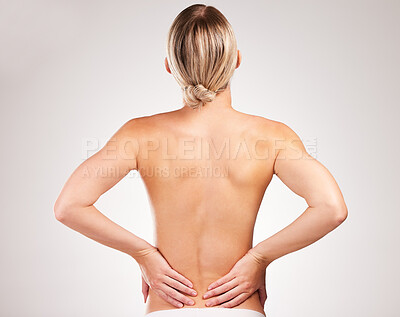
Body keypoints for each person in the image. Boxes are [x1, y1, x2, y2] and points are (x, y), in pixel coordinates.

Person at [54, 4, 348, 317]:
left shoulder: (139, 134)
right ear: (236, 59)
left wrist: (143, 254)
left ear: (170, 66)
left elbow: (68, 206)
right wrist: (259, 258)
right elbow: (331, 208)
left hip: (167, 308)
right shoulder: (272, 136)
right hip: (239, 307)